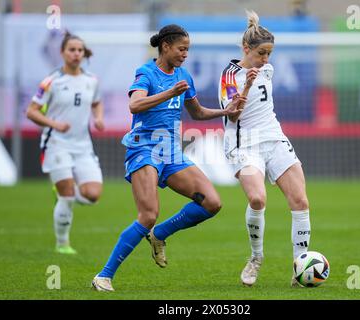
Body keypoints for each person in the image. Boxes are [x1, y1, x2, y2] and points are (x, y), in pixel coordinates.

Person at [92, 24, 245, 292]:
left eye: (187, 50)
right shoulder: (146, 72)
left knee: (212, 203)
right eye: (181, 49)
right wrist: (169, 93)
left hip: (171, 152)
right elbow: (134, 104)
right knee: (148, 214)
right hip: (143, 149)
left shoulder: (183, 75)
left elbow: (196, 113)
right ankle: (103, 276)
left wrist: (225, 111)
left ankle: (160, 234)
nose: (185, 54)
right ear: (165, 46)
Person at [218, 10, 311, 287]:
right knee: (258, 199)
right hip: (243, 142)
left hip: (274, 137)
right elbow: (232, 116)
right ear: (246, 49)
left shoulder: (267, 69)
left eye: (269, 53)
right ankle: (256, 258)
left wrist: (257, 73)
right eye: (261, 53)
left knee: (301, 201)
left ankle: (301, 265)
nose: (266, 60)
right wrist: (245, 86)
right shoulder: (229, 75)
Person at [27, 31, 105, 255]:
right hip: (56, 144)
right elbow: (31, 112)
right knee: (67, 195)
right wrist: (54, 123)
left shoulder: (92, 80)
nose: (76, 54)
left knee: (93, 195)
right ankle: (62, 244)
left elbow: (97, 103)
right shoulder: (51, 81)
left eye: (80, 50)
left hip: (83, 146)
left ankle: (64, 189)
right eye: (72, 50)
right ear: (62, 53)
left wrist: (98, 118)